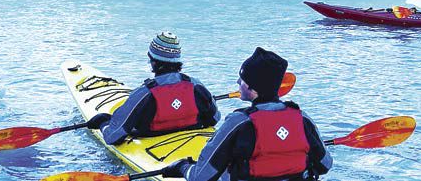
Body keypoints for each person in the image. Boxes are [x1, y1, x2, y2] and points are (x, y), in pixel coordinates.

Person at [163, 47, 333, 181]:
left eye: (242, 79)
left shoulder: (239, 122)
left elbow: (201, 177)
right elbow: (325, 165)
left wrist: (183, 167)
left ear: (252, 88)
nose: (238, 82)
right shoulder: (302, 118)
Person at [87, 32, 221, 145]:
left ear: (154, 61)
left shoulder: (144, 93)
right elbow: (214, 118)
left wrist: (103, 123)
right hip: (193, 142)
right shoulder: (196, 86)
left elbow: (113, 137)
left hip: (153, 144)